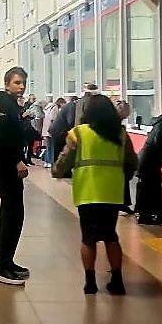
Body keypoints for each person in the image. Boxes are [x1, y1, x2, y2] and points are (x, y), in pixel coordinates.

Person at [52, 94, 138, 295]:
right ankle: (117, 281)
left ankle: (90, 283)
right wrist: (122, 176)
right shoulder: (120, 134)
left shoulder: (79, 133)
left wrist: (56, 171)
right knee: (111, 236)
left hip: (87, 193)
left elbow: (65, 159)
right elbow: (133, 162)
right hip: (112, 193)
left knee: (88, 238)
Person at [0, 67, 31, 285]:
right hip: (5, 164)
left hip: (7, 162)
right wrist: (17, 160)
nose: (21, 86)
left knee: (14, 212)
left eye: (23, 83)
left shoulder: (11, 105)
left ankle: (7, 260)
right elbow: (0, 136)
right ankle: (1, 266)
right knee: (12, 212)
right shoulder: (3, 105)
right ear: (6, 84)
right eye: (16, 82)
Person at [115, 99, 134, 214]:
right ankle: (121, 204)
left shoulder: (117, 123)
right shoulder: (116, 125)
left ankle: (123, 203)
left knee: (123, 181)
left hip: (119, 158)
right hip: (117, 158)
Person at [49, 95, 79, 160]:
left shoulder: (69, 105)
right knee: (59, 151)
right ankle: (57, 165)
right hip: (59, 131)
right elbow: (70, 121)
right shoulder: (72, 106)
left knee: (58, 151)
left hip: (57, 130)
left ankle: (57, 164)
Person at [42, 97, 66, 168]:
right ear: (61, 103)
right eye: (63, 104)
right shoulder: (55, 108)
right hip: (51, 130)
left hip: (46, 129)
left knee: (48, 146)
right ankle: (50, 161)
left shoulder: (49, 107)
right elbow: (54, 119)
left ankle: (46, 161)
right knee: (52, 147)